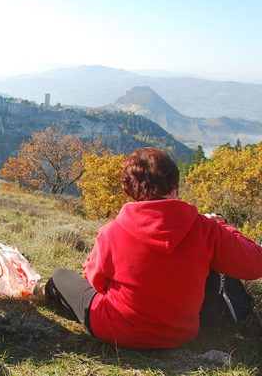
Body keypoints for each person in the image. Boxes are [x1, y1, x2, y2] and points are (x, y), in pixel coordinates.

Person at [42, 147, 262, 349]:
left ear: (130, 191)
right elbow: (256, 265)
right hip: (180, 336)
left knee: (60, 275)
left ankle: (41, 291)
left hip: (118, 331)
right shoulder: (207, 230)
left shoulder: (112, 231)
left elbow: (95, 282)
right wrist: (221, 225)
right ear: (174, 187)